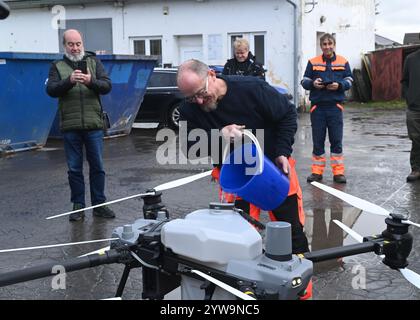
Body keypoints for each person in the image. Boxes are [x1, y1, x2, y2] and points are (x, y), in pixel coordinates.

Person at [177, 59, 309, 255]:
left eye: (201, 93)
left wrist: (283, 151)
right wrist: (219, 136)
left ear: (212, 75)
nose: (198, 101)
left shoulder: (252, 89)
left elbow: (288, 115)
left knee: (291, 237)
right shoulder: (189, 110)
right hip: (235, 179)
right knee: (237, 242)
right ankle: (246, 284)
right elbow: (190, 148)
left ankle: (298, 284)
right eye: (191, 97)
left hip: (275, 171)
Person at [46, 29, 115, 221]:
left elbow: (107, 86)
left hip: (94, 124)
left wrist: (90, 81)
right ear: (64, 45)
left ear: (82, 44)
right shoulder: (57, 66)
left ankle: (99, 205)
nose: (75, 48)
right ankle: (78, 207)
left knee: (98, 167)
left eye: (78, 44)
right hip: (70, 125)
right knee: (74, 169)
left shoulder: (94, 62)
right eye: (71, 44)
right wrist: (68, 81)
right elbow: (50, 90)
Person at [301, 33, 353, 184]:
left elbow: (349, 79)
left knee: (336, 140)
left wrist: (340, 85)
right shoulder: (313, 61)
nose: (327, 47)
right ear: (320, 46)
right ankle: (317, 173)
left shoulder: (343, 61)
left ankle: (338, 173)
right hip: (318, 107)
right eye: (324, 44)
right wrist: (313, 84)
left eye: (330, 44)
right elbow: (304, 80)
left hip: (334, 107)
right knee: (318, 141)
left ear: (334, 44)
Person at [402, 47, 420, 182]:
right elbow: (405, 81)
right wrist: (410, 98)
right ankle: (416, 169)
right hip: (415, 108)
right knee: (416, 139)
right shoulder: (411, 59)